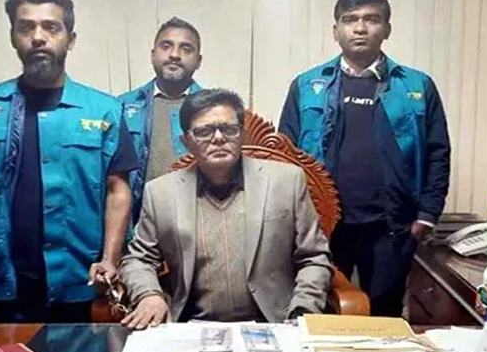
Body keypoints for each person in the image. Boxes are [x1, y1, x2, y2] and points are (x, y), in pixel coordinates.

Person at [0, 0, 138, 323]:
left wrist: (110, 258)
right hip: (0, 286)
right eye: (26, 27)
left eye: (51, 27)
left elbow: (117, 190)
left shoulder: (104, 110)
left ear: (70, 39)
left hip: (77, 284)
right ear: (13, 36)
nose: (38, 37)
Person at [278, 0, 451, 317]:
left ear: (386, 29)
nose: (360, 28)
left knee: (385, 314)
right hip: (322, 224)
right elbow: (284, 156)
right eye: (350, 19)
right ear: (336, 30)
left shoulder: (417, 86)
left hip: (391, 227)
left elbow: (437, 153)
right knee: (319, 311)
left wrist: (427, 215)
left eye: (371, 19)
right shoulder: (307, 85)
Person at [119, 89, 333, 329]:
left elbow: (314, 257)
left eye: (229, 129)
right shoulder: (161, 193)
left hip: (274, 323)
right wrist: (149, 295)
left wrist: (302, 311)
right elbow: (138, 259)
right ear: (186, 142)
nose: (218, 138)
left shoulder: (286, 181)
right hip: (192, 326)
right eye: (204, 131)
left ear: (243, 135)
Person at [118, 17, 204, 224]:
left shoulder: (213, 110)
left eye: (186, 49)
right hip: (139, 225)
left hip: (199, 222)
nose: (174, 55)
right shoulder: (121, 107)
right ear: (152, 54)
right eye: (166, 46)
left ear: (198, 61)